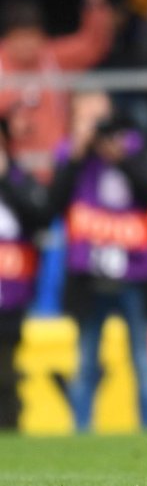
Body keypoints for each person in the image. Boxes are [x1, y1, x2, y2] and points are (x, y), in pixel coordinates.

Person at [49, 92, 147, 431]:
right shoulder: (70, 154)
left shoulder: (133, 146)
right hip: (88, 270)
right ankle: (81, 430)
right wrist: (77, 153)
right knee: (85, 359)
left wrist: (122, 158)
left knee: (143, 359)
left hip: (135, 268)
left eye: (100, 115)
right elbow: (53, 204)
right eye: (87, 115)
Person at [0, 0, 113, 182]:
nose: (26, 45)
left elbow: (93, 45)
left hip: (55, 173)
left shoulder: (51, 57)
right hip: (8, 178)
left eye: (32, 37)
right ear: (7, 38)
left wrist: (94, 1)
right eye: (20, 38)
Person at [0, 118, 50, 429]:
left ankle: (9, 423)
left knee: (6, 368)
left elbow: (40, 216)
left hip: (11, 292)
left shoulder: (18, 179)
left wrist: (5, 178)